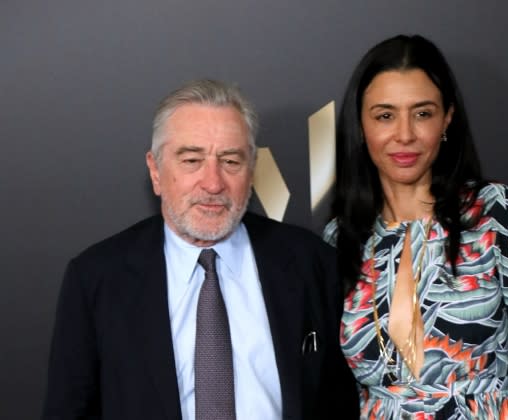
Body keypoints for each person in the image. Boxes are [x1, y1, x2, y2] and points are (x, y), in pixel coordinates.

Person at [43, 79, 359, 420]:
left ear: (252, 170)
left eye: (231, 162)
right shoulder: (97, 278)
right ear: (156, 171)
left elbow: (338, 401)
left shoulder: (310, 262)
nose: (213, 183)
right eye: (192, 160)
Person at [325, 34, 508, 419]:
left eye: (422, 113)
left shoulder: (497, 214)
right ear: (361, 124)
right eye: (385, 115)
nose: (404, 134)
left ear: (447, 118)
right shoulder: (340, 240)